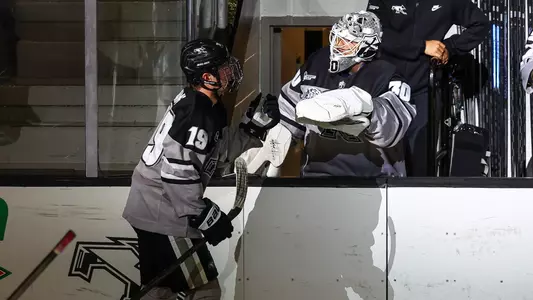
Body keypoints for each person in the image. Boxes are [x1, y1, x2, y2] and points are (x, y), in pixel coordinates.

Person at [122, 38, 279, 300]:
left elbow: (214, 154)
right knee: (204, 292)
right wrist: (200, 213)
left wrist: (252, 128)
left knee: (161, 291)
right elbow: (178, 169)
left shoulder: (205, 104)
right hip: (164, 212)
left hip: (156, 206)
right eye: (223, 68)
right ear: (207, 76)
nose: (231, 72)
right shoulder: (198, 111)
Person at [248, 11, 416, 177]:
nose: (337, 46)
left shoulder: (387, 73)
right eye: (337, 38)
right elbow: (289, 117)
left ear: (367, 47)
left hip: (373, 182)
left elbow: (393, 129)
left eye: (346, 42)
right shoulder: (317, 62)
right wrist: (269, 130)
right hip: (316, 177)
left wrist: (366, 108)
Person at [367, 0, 490, 176]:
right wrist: (423, 46)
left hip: (424, 88)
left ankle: (418, 200)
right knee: (380, 153)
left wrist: (450, 48)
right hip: (384, 87)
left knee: (419, 155)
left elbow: (480, 24)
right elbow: (375, 34)